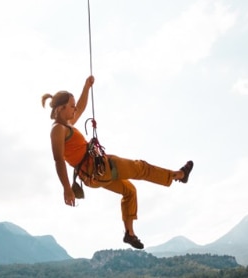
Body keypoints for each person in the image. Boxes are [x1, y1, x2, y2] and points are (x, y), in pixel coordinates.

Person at [41, 75, 194, 249]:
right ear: (61, 108)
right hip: (99, 168)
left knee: (129, 191)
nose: (74, 109)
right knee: (140, 168)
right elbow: (58, 160)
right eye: (71, 106)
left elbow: (82, 108)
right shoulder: (58, 130)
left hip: (93, 175)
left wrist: (86, 87)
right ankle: (178, 175)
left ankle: (130, 234)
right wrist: (67, 189)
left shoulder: (67, 124)